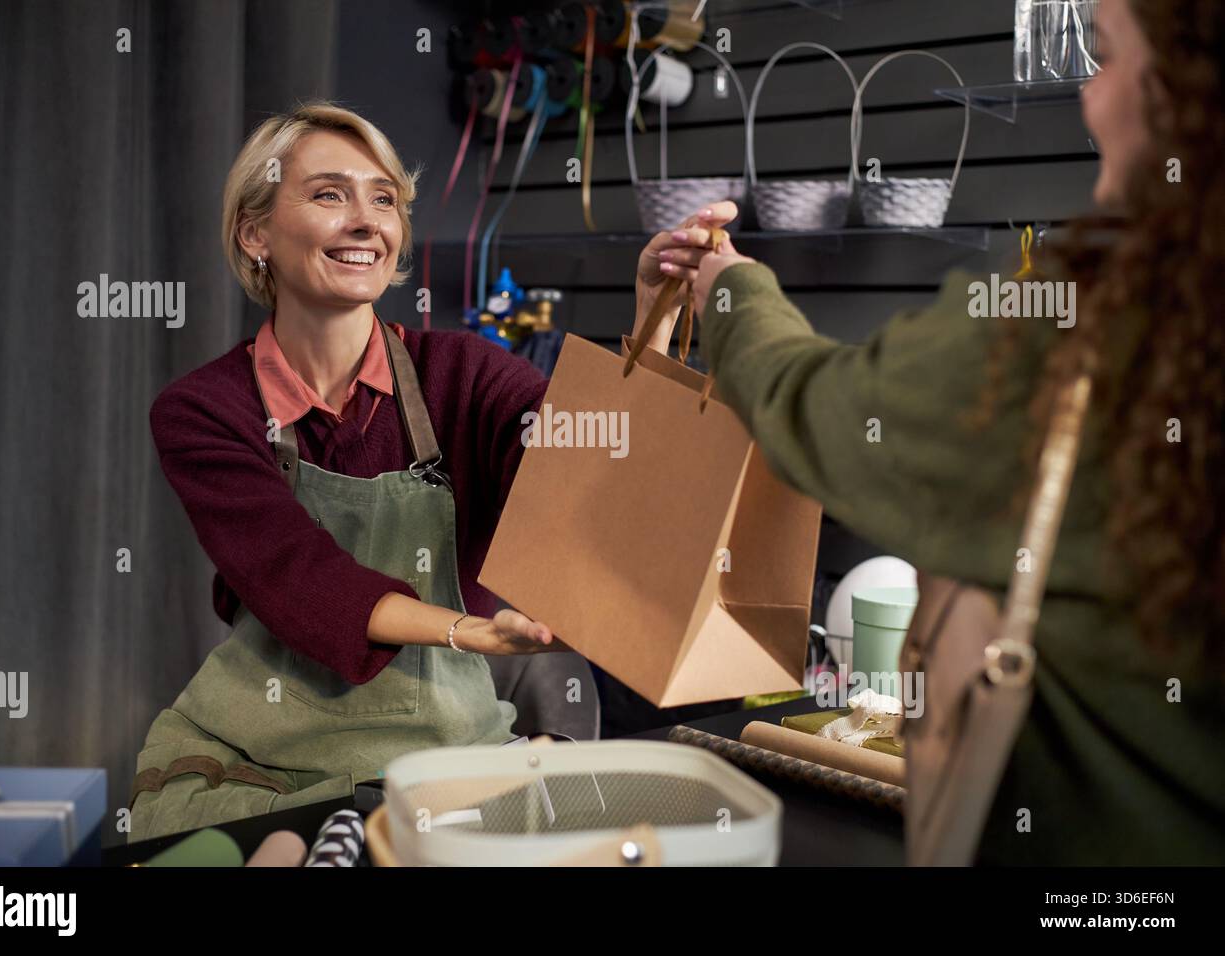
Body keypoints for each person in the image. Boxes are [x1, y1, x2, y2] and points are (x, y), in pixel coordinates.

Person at [638, 0, 1225, 864]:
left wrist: (732, 289)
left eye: (1108, 61)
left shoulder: (1087, 342)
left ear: (1181, 92)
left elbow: (817, 409)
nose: (1092, 99)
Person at [130, 102, 674, 842]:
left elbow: (574, 463)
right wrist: (466, 632)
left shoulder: (466, 374)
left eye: (383, 199)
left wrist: (655, 328)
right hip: (261, 759)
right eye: (330, 194)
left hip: (448, 754)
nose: (367, 221)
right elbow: (297, 578)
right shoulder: (203, 409)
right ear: (255, 233)